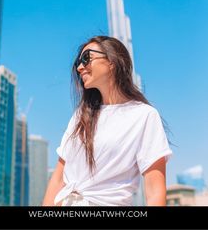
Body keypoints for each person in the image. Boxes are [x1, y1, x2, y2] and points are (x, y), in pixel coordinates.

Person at [42, 36, 172, 206]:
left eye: (86, 58)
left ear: (112, 61)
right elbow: (58, 179)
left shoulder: (144, 115)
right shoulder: (80, 116)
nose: (80, 67)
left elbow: (155, 192)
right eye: (77, 63)